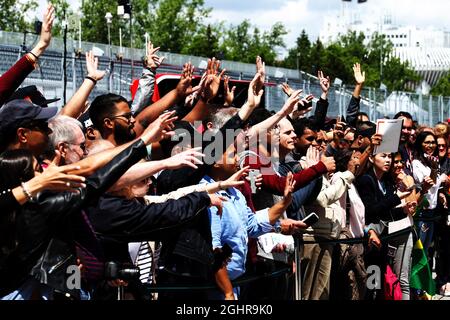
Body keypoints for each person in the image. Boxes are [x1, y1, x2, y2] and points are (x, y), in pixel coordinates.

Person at [355, 152, 413, 300]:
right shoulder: (367, 180)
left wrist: (403, 210)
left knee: (378, 284)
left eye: (389, 157)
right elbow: (370, 211)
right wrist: (396, 197)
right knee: (370, 285)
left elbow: (385, 212)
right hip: (370, 241)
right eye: (383, 156)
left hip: (382, 241)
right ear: (371, 158)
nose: (388, 160)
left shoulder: (385, 181)